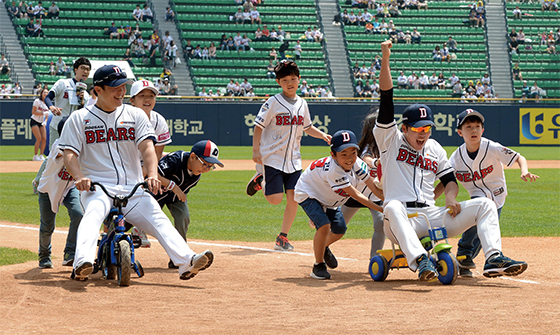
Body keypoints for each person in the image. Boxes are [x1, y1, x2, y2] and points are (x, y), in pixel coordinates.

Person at [373, 40, 528, 282]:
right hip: (400, 220)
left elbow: (449, 179)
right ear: (404, 128)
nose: (423, 133)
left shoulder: (435, 148)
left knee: (486, 204)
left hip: (431, 217)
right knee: (391, 205)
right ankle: (420, 261)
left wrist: (451, 196)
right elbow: (386, 97)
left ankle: (493, 258)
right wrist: (385, 58)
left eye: (428, 128)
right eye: (418, 128)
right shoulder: (390, 140)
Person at [59, 65, 214, 281]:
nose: (121, 91)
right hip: (97, 188)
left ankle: (187, 261)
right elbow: (69, 155)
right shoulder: (79, 119)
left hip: (133, 187)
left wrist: (151, 174)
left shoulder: (135, 115)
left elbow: (147, 148)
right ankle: (82, 262)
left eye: (123, 86)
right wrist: (79, 177)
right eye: (114, 87)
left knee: (158, 218)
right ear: (98, 90)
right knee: (93, 215)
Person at [436, 109, 539, 277]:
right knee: (476, 223)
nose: (474, 130)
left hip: (498, 196)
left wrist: (524, 171)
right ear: (460, 132)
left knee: (484, 228)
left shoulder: (491, 147)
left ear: (483, 130)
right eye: (468, 127)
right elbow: (445, 181)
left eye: (477, 126)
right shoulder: (456, 157)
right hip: (478, 196)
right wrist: (435, 198)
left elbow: (519, 157)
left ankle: (465, 258)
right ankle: (466, 254)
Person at [246, 60, 331, 251]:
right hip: (273, 157)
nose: (290, 83)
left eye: (293, 79)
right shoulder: (272, 102)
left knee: (295, 198)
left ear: (299, 79)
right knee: (275, 199)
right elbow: (258, 125)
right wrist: (255, 150)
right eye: (285, 80)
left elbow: (307, 127)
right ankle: (261, 179)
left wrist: (323, 135)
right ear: (278, 82)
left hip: (294, 160)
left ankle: (282, 237)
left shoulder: (302, 103)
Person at [296, 130, 383, 280]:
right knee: (324, 226)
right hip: (309, 193)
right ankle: (318, 266)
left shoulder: (357, 163)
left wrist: (389, 200)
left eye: (353, 152)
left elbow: (372, 186)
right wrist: (382, 209)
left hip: (329, 199)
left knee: (340, 230)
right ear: (333, 155)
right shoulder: (334, 171)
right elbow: (357, 195)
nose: (349, 158)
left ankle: (322, 247)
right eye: (344, 154)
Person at [153, 140, 224, 269]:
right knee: (132, 220)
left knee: (183, 217)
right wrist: (172, 186)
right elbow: (152, 173)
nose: (206, 169)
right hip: (153, 193)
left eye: (210, 167)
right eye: (205, 164)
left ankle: (179, 258)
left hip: (173, 197)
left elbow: (179, 193)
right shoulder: (175, 159)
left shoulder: (196, 174)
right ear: (192, 157)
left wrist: (174, 190)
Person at [37, 117, 83, 269]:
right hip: (49, 188)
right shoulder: (59, 145)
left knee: (78, 214)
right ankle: (44, 255)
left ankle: (70, 252)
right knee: (47, 226)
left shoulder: (82, 145)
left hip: (70, 188)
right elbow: (67, 155)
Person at [340, 113, 385, 259]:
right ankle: (323, 247)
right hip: (356, 193)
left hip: (375, 194)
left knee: (381, 224)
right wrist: (376, 163)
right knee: (338, 226)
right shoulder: (365, 147)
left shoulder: (387, 145)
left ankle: (374, 260)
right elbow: (367, 159)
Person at [31, 88, 49, 161]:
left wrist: (46, 121)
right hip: (34, 120)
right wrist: (42, 113)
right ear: (41, 93)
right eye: (44, 92)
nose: (45, 94)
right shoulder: (37, 101)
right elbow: (33, 111)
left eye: (47, 93)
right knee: (39, 138)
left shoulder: (48, 103)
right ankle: (35, 156)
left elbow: (47, 114)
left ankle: (41, 155)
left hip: (41, 121)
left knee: (44, 138)